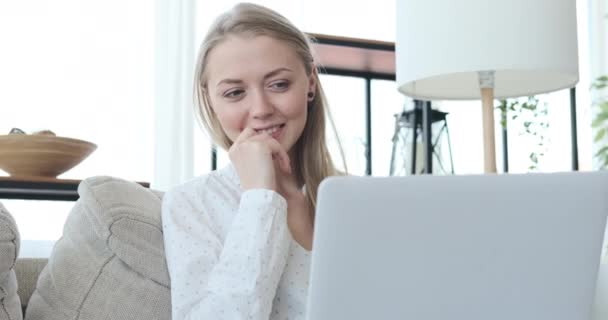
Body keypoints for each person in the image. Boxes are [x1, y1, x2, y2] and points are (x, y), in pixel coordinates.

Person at [161, 3, 345, 319]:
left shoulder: (350, 197)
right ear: (210, 100)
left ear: (310, 83)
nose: (260, 108)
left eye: (278, 85)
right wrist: (260, 198)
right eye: (234, 93)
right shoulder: (191, 204)